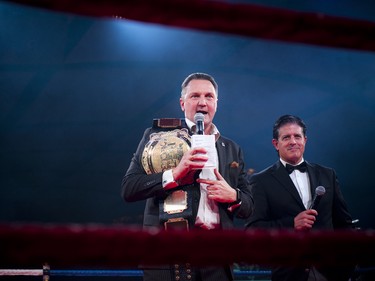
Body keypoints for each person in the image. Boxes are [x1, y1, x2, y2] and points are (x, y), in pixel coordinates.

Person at [121, 72, 254, 281]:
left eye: (209, 96)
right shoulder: (158, 137)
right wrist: (174, 174)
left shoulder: (232, 149)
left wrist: (234, 196)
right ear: (182, 103)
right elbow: (129, 188)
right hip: (169, 256)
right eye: (195, 96)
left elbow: (249, 206)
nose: (202, 102)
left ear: (216, 103)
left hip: (218, 260)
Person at [246, 114, 354, 281]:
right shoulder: (260, 181)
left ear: (305, 140)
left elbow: (344, 225)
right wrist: (291, 224)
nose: (293, 141)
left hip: (330, 273)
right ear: (276, 144)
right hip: (288, 273)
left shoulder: (327, 175)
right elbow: (253, 230)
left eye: (297, 136)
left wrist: (345, 269)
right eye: (286, 137)